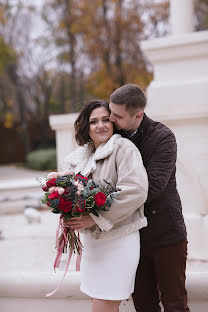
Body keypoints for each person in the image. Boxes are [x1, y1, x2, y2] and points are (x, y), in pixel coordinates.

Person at [109, 84, 190, 312]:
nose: (111, 120)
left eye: (117, 115)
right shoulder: (115, 136)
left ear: (138, 115)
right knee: (144, 306)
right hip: (132, 237)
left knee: (175, 305)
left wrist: (102, 199)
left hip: (167, 234)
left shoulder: (163, 137)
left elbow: (152, 186)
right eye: (110, 112)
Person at [62, 99, 148, 312]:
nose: (100, 125)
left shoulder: (123, 148)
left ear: (113, 123)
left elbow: (136, 190)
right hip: (93, 244)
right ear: (86, 127)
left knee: (104, 304)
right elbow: (78, 191)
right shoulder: (84, 156)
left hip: (119, 240)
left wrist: (95, 218)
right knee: (98, 301)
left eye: (105, 120)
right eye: (93, 122)